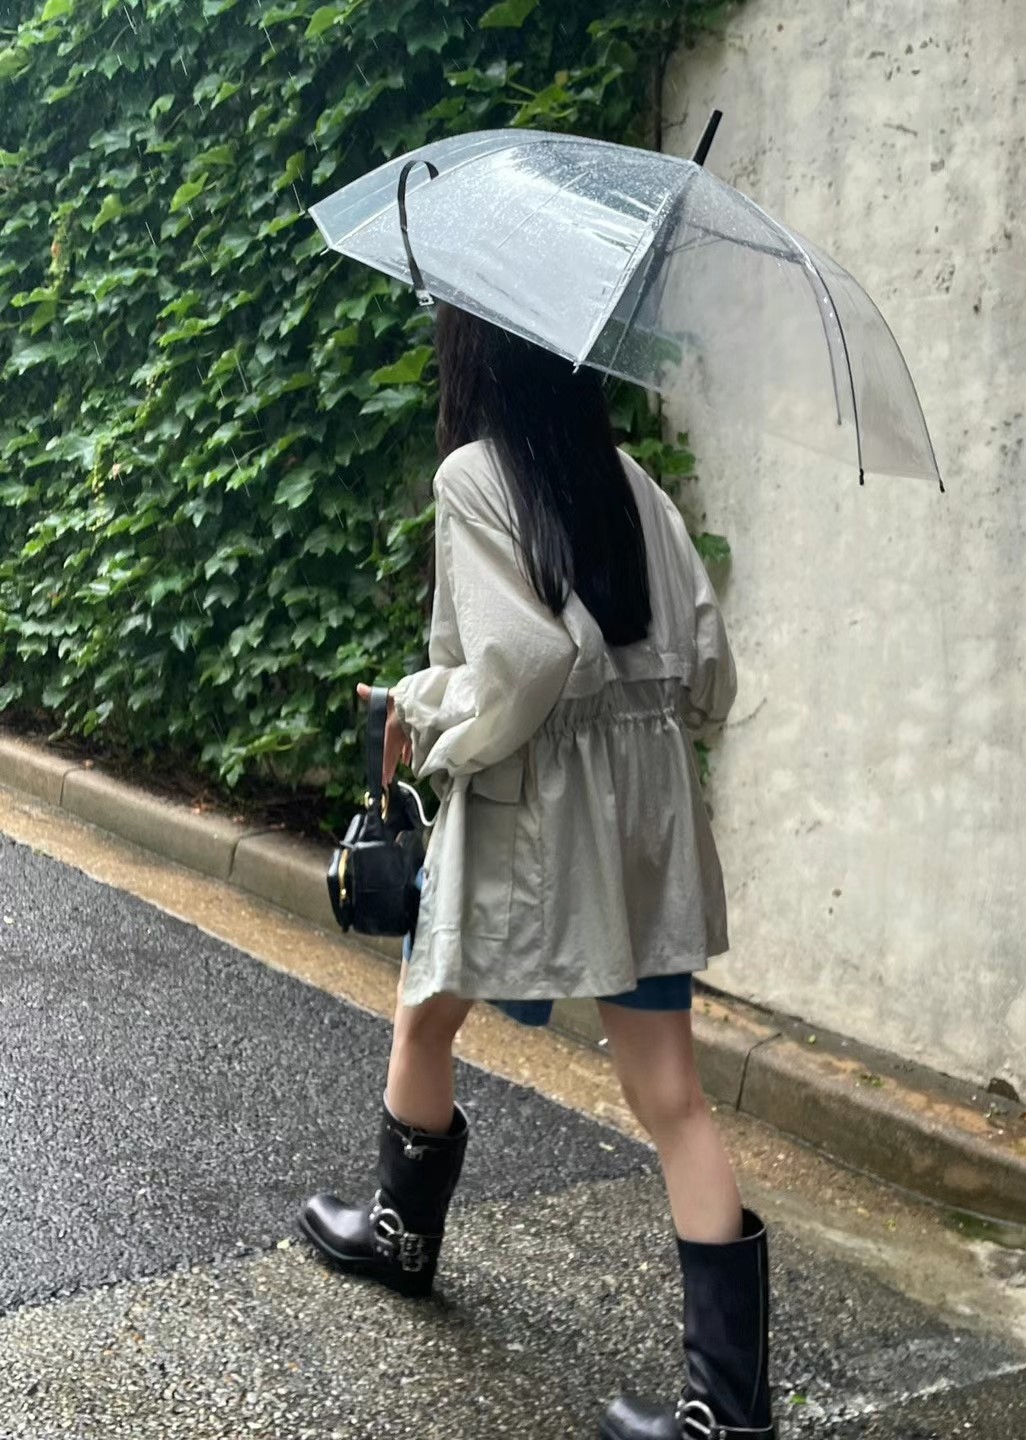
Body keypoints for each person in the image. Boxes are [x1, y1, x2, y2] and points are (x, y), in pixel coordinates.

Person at [299, 304, 776, 1440]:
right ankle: (730, 1410)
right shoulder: (634, 486)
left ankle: (404, 1236)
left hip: (533, 805)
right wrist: (636, 729)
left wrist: (424, 708)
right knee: (671, 1095)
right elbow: (711, 673)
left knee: (429, 999)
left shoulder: (474, 477)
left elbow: (521, 664)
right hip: (643, 810)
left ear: (476, 352)